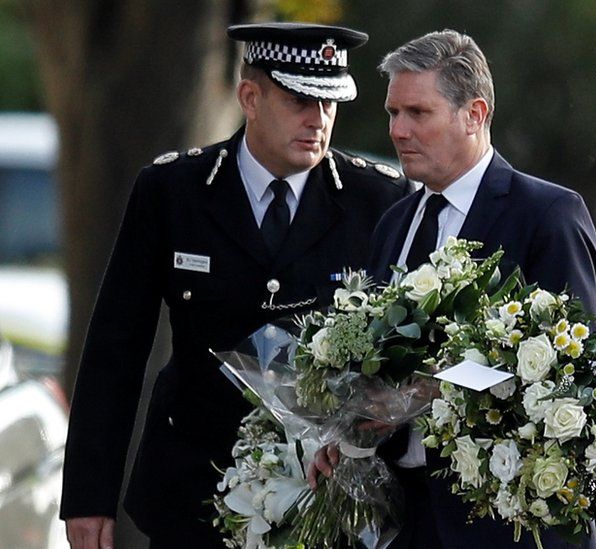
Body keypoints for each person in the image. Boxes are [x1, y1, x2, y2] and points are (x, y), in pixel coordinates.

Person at [60, 22, 410, 548]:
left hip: (325, 499)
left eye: (329, 104)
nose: (317, 121)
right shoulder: (172, 192)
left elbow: (402, 356)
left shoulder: (377, 200)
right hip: (191, 489)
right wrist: (89, 495)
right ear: (250, 96)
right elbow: (115, 348)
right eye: (299, 101)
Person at [309, 30, 596, 549]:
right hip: (400, 517)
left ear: (475, 113)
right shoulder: (394, 222)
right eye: (393, 113)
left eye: (418, 113)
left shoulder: (546, 215)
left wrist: (435, 388)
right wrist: (347, 427)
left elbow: (571, 373)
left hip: (503, 520)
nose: (399, 131)